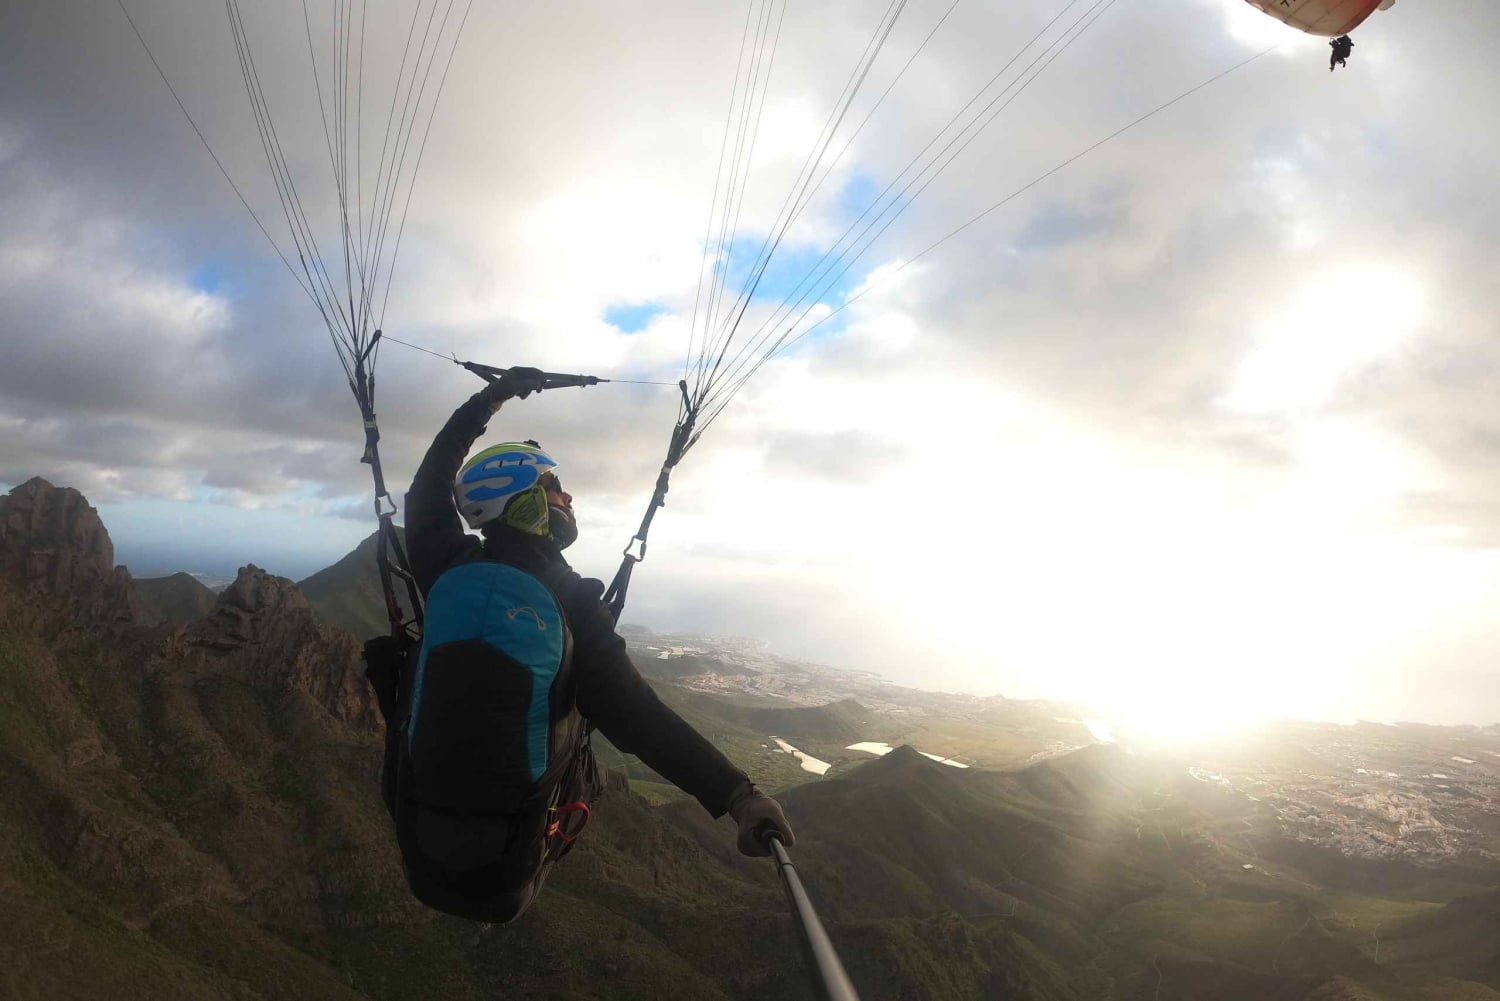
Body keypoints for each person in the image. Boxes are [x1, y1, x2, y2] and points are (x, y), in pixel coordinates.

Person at [394, 366, 794, 921]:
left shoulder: (440, 564)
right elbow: (639, 718)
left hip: (420, 855)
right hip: (505, 877)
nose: (568, 497)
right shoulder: (574, 607)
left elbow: (431, 476)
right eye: (554, 488)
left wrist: (492, 398)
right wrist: (737, 795)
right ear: (526, 503)